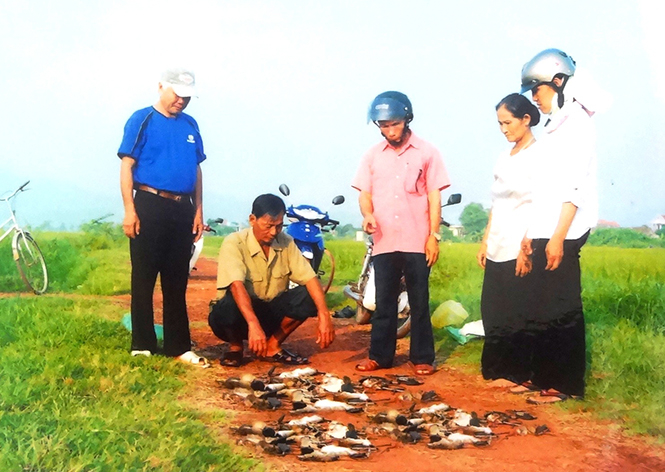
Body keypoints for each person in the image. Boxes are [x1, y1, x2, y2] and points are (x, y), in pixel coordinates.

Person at [518, 48, 599, 403]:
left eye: (538, 89)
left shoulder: (578, 123)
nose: (534, 97)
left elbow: (574, 187)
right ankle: (543, 375)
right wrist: (528, 234)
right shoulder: (553, 125)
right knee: (540, 304)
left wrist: (558, 238)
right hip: (544, 227)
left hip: (566, 229)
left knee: (562, 305)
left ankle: (566, 384)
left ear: (559, 82)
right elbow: (542, 186)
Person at [352, 91, 450, 376]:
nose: (389, 131)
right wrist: (367, 215)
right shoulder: (372, 156)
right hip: (384, 240)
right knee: (384, 302)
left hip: (417, 240)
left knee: (419, 301)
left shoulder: (427, 152)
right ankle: (380, 357)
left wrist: (434, 236)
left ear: (407, 119)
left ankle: (421, 357)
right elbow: (364, 194)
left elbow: (434, 197)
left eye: (394, 124)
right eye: (383, 125)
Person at [118, 67, 206, 365]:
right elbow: (127, 166)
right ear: (161, 88)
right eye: (177, 95)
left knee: (176, 279)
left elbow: (196, 170)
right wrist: (130, 209)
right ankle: (142, 342)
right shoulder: (142, 119)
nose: (181, 101)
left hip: (182, 208)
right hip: (149, 203)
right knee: (144, 276)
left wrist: (198, 210)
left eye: (187, 97)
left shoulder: (190, 125)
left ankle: (178, 346)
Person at [208, 194, 335, 367]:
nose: (274, 232)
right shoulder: (234, 243)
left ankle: (273, 345)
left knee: (308, 295)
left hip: (270, 313)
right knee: (228, 302)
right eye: (268, 226)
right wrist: (253, 324)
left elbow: (310, 278)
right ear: (252, 219)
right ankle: (236, 347)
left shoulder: (286, 242)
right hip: (239, 317)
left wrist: (324, 314)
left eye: (279, 226)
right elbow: (236, 286)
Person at [477, 93, 540, 387]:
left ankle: (519, 374)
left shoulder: (538, 156)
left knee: (518, 311)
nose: (504, 129)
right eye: (499, 124)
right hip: (498, 242)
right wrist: (485, 239)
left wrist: (527, 248)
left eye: (508, 122)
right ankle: (496, 369)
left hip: (521, 243)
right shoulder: (505, 156)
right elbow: (496, 203)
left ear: (526, 119)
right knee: (492, 309)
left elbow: (540, 205)